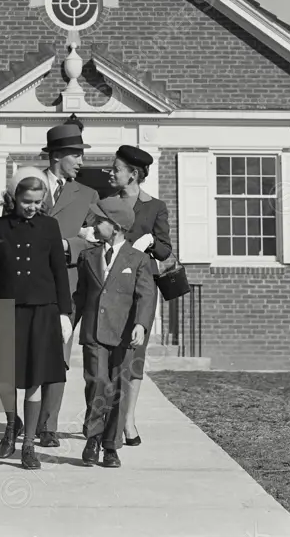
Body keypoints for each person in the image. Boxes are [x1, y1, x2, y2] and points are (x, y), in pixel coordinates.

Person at [0, 167, 72, 471]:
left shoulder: (50, 227)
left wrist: (65, 314)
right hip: (8, 310)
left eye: (37, 201)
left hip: (42, 311)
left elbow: (59, 272)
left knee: (34, 378)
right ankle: (9, 426)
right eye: (26, 201)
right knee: (5, 378)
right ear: (13, 197)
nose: (32, 207)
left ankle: (29, 444)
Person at [85, 144, 171, 445]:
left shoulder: (154, 206)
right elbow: (92, 237)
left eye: (116, 168)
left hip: (138, 290)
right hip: (109, 291)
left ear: (133, 174)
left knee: (133, 357)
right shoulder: (105, 204)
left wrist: (148, 243)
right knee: (104, 362)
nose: (111, 172)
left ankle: (128, 419)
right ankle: (103, 421)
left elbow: (165, 249)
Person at [73, 196, 156, 468]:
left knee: (118, 388)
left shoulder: (139, 259)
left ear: (117, 226)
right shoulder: (88, 256)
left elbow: (147, 296)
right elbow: (81, 296)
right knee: (98, 381)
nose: (93, 224)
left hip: (123, 336)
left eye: (99, 220)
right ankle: (93, 437)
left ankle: (110, 446)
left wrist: (141, 325)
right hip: (94, 333)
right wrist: (67, 322)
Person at [35, 122, 100, 448]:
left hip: (69, 287)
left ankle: (47, 425)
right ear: (58, 155)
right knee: (29, 355)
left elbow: (96, 240)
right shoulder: (27, 185)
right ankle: (23, 418)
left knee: (59, 355)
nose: (81, 162)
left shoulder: (88, 195)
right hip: (30, 284)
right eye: (76, 155)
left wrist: (66, 246)